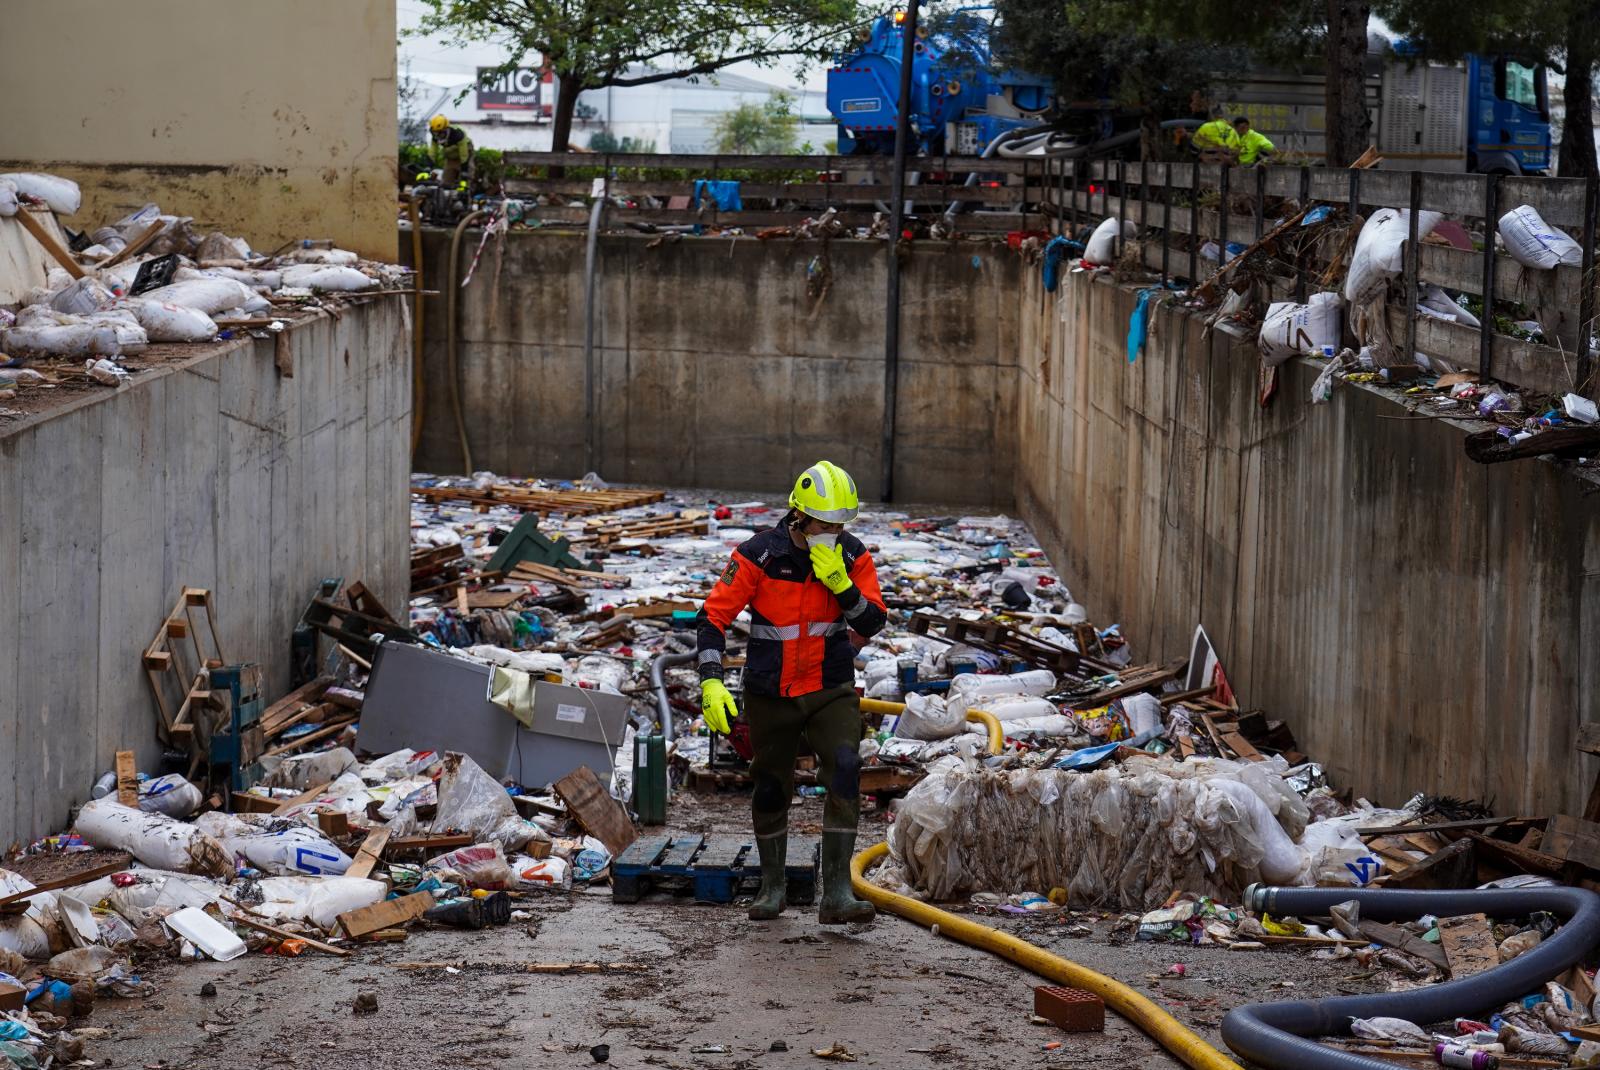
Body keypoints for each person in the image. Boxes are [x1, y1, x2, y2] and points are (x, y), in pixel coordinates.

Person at [696, 461, 888, 924]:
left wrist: (841, 586)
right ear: (799, 516)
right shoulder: (759, 555)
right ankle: (772, 886)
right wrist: (711, 679)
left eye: (841, 525)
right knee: (770, 786)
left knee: (845, 767)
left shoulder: (851, 556)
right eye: (826, 524)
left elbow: (872, 622)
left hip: (829, 686)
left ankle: (838, 893)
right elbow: (712, 617)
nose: (833, 533)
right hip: (771, 692)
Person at [428, 114, 474, 189]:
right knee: (445, 183)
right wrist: (428, 167)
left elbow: (464, 155)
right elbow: (432, 151)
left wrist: (464, 171)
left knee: (465, 182)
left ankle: (466, 197)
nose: (438, 136)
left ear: (446, 129)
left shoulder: (458, 134)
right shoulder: (435, 137)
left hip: (465, 155)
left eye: (440, 133)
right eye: (435, 133)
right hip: (451, 158)